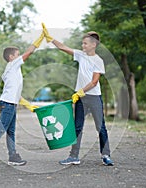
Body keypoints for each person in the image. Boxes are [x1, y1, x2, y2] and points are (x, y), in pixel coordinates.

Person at [42, 23, 114, 166]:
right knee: (77, 127)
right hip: (80, 98)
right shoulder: (81, 55)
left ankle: (105, 155)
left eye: (85, 43)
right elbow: (63, 47)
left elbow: (94, 82)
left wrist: (81, 91)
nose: (83, 46)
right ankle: (74, 156)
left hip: (93, 97)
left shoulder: (98, 61)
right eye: (82, 43)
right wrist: (50, 39)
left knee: (100, 126)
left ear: (93, 45)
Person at [0, 33, 44, 168]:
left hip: (10, 103)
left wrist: (29, 106)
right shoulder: (13, 64)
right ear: (11, 57)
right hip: (8, 104)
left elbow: (16, 94)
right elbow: (29, 52)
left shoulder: (14, 71)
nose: (20, 57)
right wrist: (40, 38)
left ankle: (13, 156)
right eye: (18, 54)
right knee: (1, 129)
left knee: (10, 131)